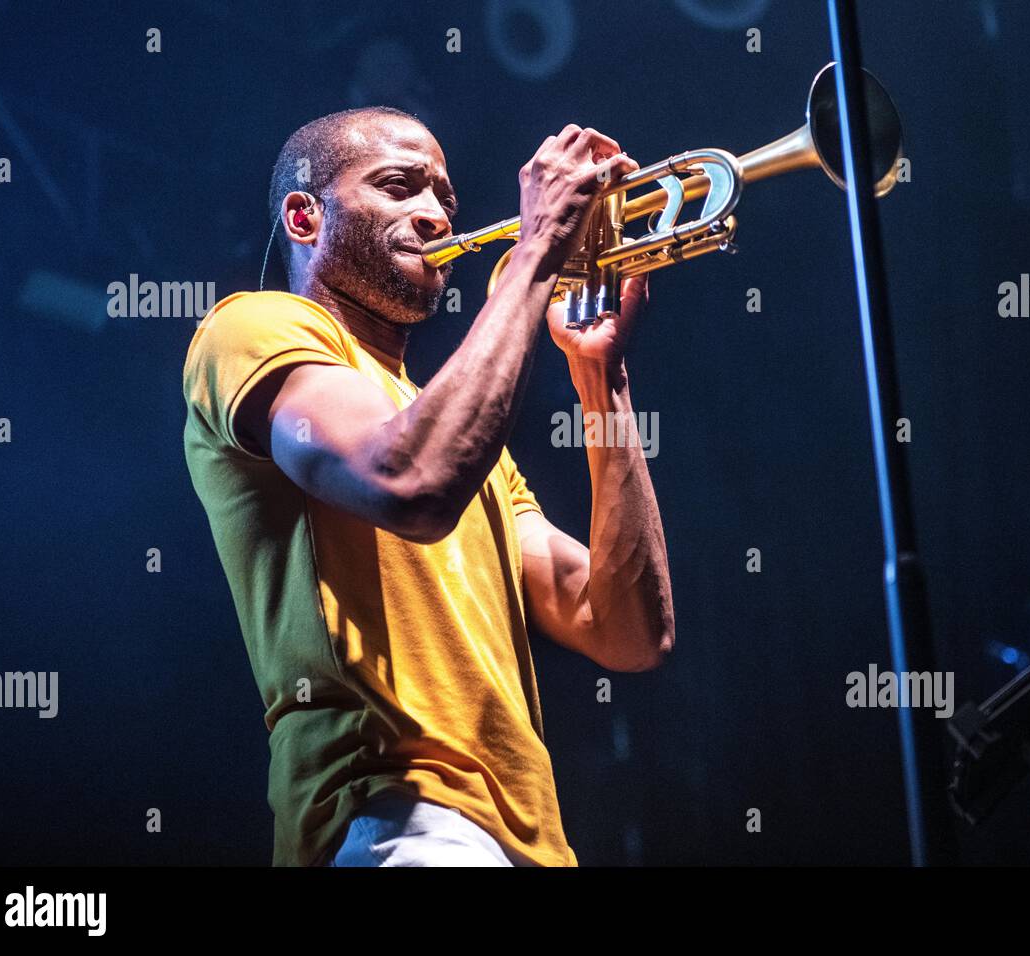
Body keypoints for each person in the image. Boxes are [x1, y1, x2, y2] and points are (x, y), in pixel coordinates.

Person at [181, 106, 674, 867]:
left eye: (444, 196)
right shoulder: (250, 326)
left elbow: (627, 631)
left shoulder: (468, 445)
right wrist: (542, 245)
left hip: (530, 846)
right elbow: (408, 481)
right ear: (305, 217)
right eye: (398, 186)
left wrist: (600, 377)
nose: (435, 213)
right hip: (393, 819)